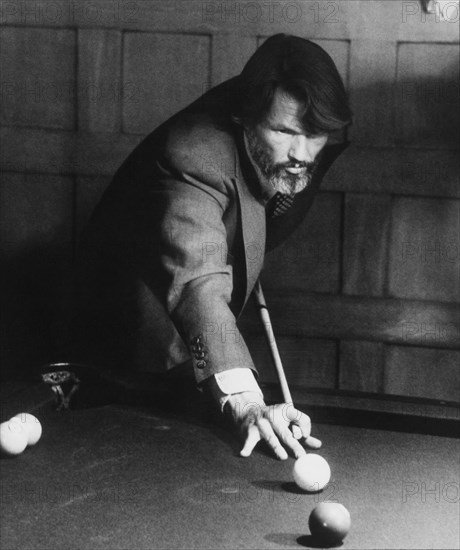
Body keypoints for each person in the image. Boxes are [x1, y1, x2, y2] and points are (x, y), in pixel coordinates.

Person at [68, 33, 352, 460]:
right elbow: (197, 277)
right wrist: (247, 399)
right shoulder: (195, 153)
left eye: (313, 134)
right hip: (122, 352)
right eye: (282, 131)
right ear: (245, 119)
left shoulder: (312, 135)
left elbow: (273, 199)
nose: (300, 152)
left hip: (185, 350)